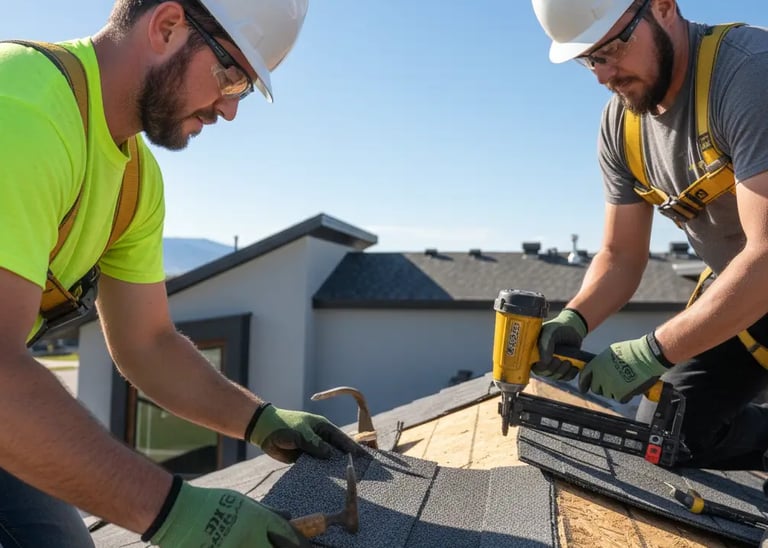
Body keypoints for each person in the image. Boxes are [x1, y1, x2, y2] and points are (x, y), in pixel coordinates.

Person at [0, 1, 363, 546]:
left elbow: (148, 343)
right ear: (168, 26)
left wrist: (258, 419)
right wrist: (174, 513)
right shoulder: (22, 110)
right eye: (231, 75)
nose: (230, 109)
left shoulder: (134, 184)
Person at [529, 0, 768, 471]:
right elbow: (620, 255)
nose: (603, 74)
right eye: (590, 58)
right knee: (667, 436)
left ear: (662, 7)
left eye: (613, 48)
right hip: (745, 298)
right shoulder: (622, 126)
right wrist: (575, 320)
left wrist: (653, 351)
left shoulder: (748, 73)